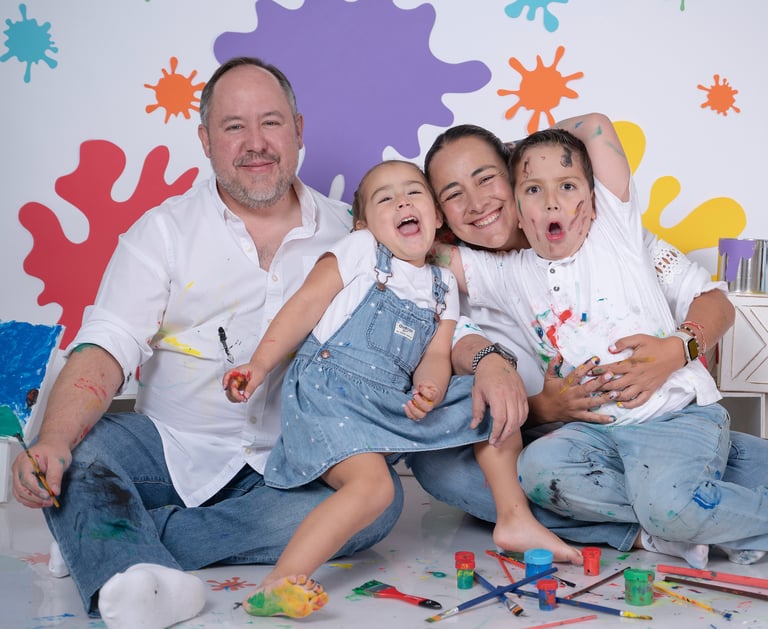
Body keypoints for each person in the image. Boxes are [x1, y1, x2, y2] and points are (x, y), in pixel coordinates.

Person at [10, 57, 405, 629]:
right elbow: (109, 342)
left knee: (381, 502)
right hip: (171, 449)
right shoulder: (162, 232)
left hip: (295, 464)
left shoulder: (353, 235)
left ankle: (113, 544)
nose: (255, 144)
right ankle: (134, 573)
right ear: (205, 139)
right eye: (233, 126)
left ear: (298, 129)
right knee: (76, 449)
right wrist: (54, 442)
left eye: (270, 123)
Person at [222, 159, 580, 618]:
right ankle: (279, 582)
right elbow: (305, 304)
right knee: (375, 490)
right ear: (363, 223)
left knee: (490, 394)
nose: (402, 201)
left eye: (413, 193)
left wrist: (430, 388)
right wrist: (259, 363)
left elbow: (435, 353)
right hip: (331, 397)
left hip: (390, 398)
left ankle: (514, 519)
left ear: (435, 218)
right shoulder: (361, 251)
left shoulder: (442, 284)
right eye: (385, 198)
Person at [432, 117, 768, 567]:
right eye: (533, 189)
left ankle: (686, 515)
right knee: (534, 471)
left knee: (673, 501)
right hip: (591, 438)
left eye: (486, 177)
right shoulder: (501, 275)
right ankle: (678, 520)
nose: (551, 200)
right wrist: (382, 223)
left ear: (592, 200)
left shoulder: (613, 232)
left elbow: (594, 126)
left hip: (668, 418)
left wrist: (677, 347)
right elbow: (421, 251)